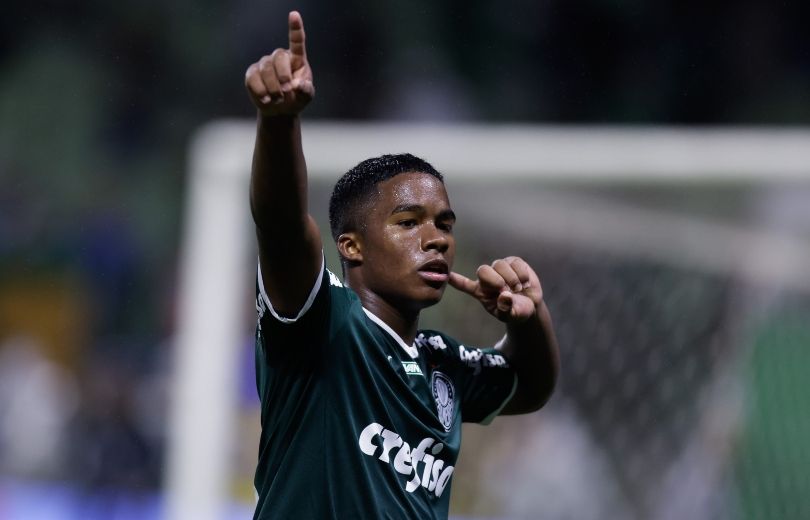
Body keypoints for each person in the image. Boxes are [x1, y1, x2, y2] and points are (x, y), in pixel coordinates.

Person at [244, 11, 559, 520]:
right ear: (350, 246)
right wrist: (279, 121)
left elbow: (530, 387)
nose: (436, 239)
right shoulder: (325, 326)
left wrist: (530, 319)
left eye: (445, 225)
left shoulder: (442, 363)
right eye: (409, 222)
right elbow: (281, 225)